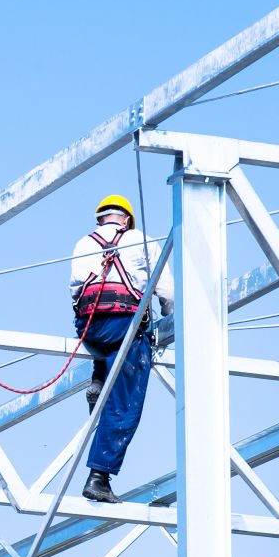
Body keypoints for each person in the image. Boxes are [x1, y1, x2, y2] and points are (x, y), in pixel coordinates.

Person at [68, 194, 173, 503]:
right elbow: (166, 290)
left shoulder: (82, 244)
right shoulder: (140, 239)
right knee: (125, 402)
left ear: (101, 218)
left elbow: (74, 290)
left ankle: (99, 377)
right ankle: (99, 475)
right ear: (126, 220)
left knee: (107, 347)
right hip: (123, 325)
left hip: (88, 327)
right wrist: (169, 321)